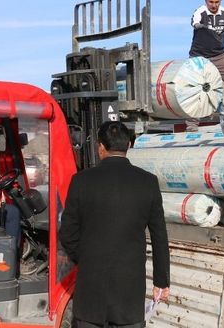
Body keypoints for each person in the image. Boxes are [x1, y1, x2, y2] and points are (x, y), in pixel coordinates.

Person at [60, 120, 170, 328]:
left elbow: (67, 233)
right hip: (129, 292)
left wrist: (86, 259)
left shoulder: (81, 180)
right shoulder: (148, 182)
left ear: (100, 146)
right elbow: (159, 237)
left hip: (90, 292)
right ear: (128, 145)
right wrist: (161, 281)